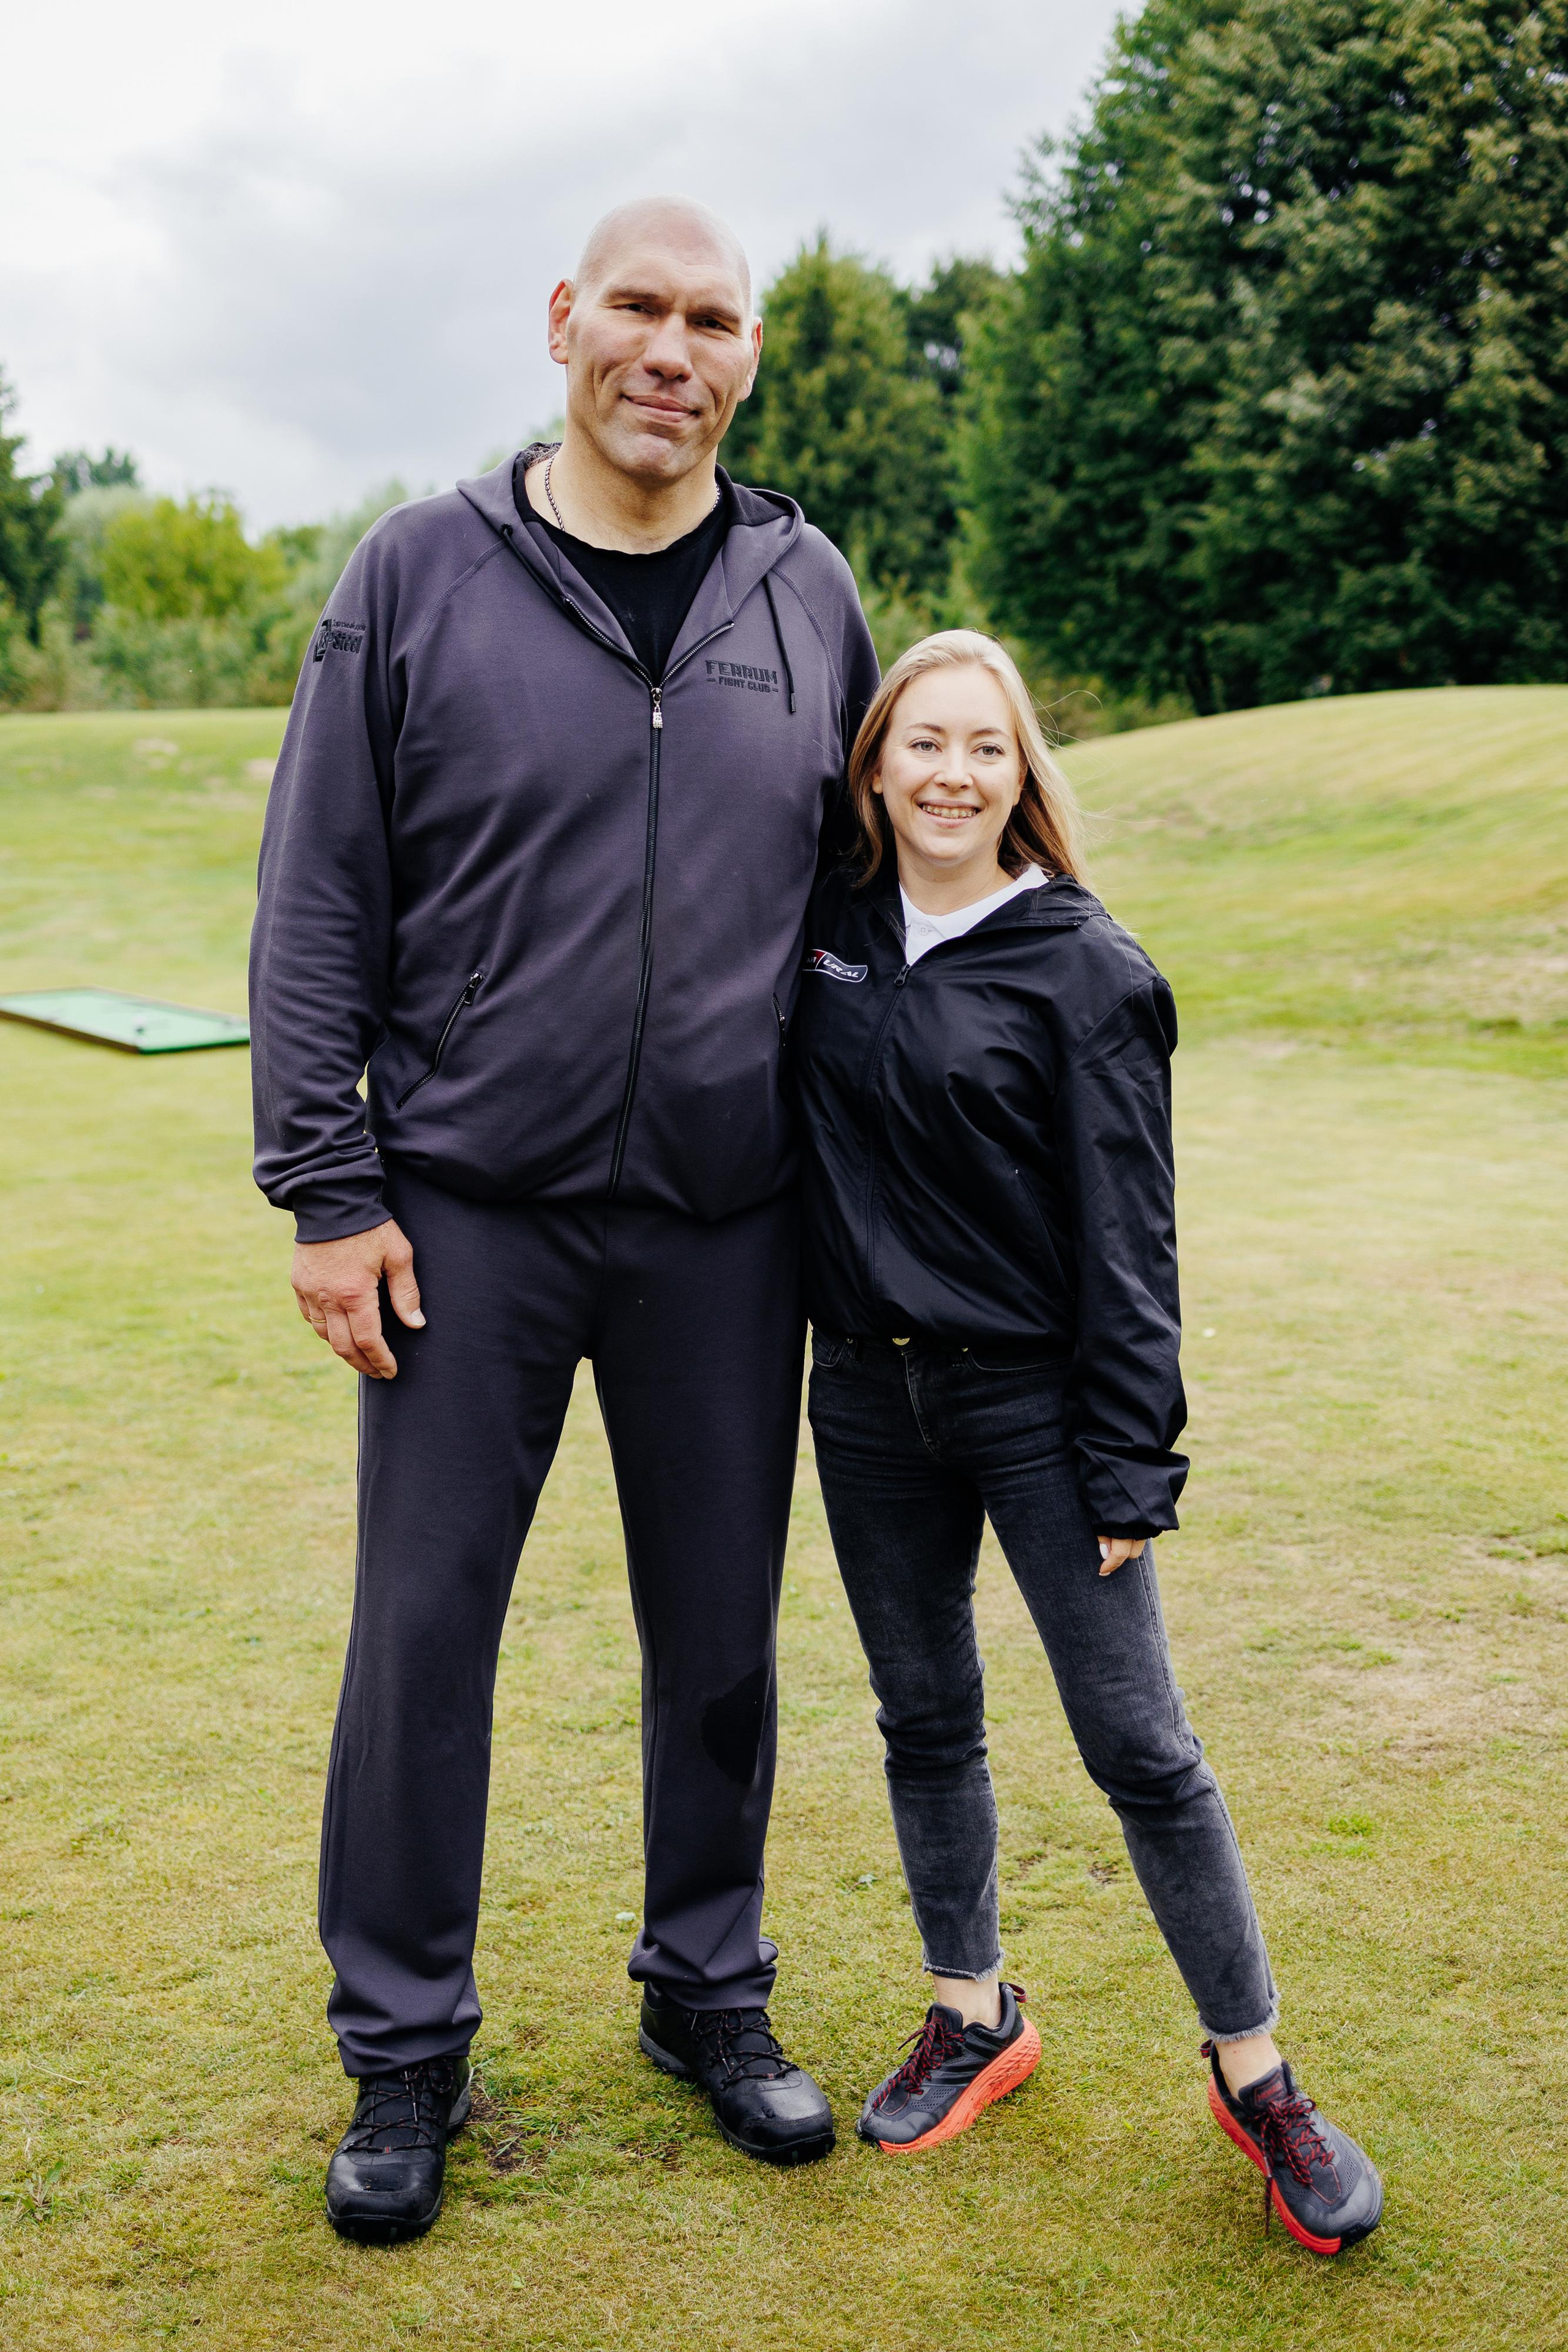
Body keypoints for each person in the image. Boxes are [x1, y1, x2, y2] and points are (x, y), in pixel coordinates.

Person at [249, 196, 878, 2242]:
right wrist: (327, 1192)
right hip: (466, 1218)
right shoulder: (418, 574)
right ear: (561, 321)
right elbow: (318, 896)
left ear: (750, 354)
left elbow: (863, 921)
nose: (670, 351)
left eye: (712, 320)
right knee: (425, 1635)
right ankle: (404, 2052)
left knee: (721, 1636)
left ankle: (710, 1993)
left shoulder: (809, 590)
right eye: (638, 308)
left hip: (729, 1226)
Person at [791, 631, 1383, 2255]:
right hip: (863, 1394)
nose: (952, 774)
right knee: (925, 1716)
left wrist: (1133, 1459)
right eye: (923, 744)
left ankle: (1257, 2076)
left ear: (1023, 773)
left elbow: (1134, 1237)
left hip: (1041, 1405)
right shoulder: (829, 934)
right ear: (875, 764)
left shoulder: (1086, 966)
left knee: (1140, 1747)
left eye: (985, 747)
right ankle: (973, 2015)